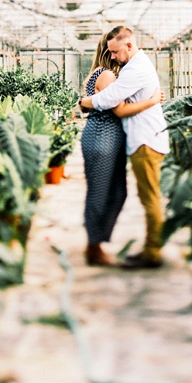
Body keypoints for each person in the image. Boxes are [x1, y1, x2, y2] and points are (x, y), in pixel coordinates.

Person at [79, 26, 169, 269]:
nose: (114, 56)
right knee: (104, 193)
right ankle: (95, 246)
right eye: (110, 53)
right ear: (105, 53)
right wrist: (83, 103)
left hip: (136, 139)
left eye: (116, 52)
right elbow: (114, 105)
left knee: (130, 194)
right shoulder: (109, 74)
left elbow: (112, 101)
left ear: (127, 46)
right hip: (106, 137)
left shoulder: (131, 69)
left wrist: (84, 102)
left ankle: (148, 249)